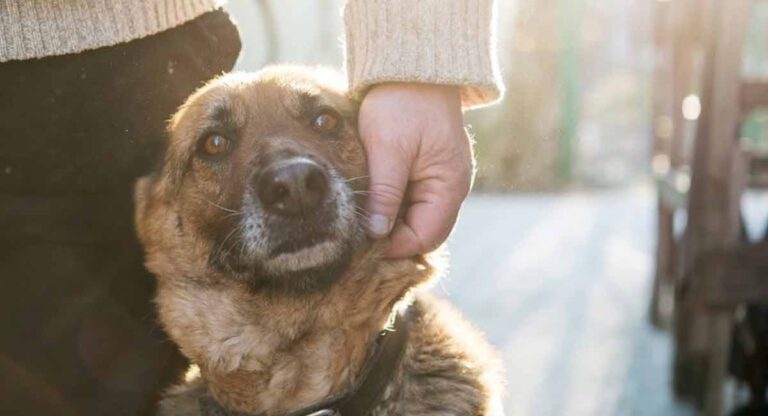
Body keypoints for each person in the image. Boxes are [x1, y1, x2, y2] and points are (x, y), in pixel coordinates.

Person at [0, 1, 502, 414]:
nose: (292, 178)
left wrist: (414, 61)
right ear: (155, 215)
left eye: (326, 123)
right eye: (215, 146)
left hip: (139, 57)